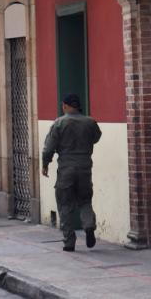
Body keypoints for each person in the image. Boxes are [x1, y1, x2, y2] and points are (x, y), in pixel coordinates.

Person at [42, 94, 102, 252]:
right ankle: (88, 225)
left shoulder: (59, 123)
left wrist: (45, 164)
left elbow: (48, 147)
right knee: (85, 200)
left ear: (66, 106)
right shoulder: (90, 122)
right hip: (84, 167)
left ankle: (69, 242)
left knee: (65, 204)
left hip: (66, 169)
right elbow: (96, 137)